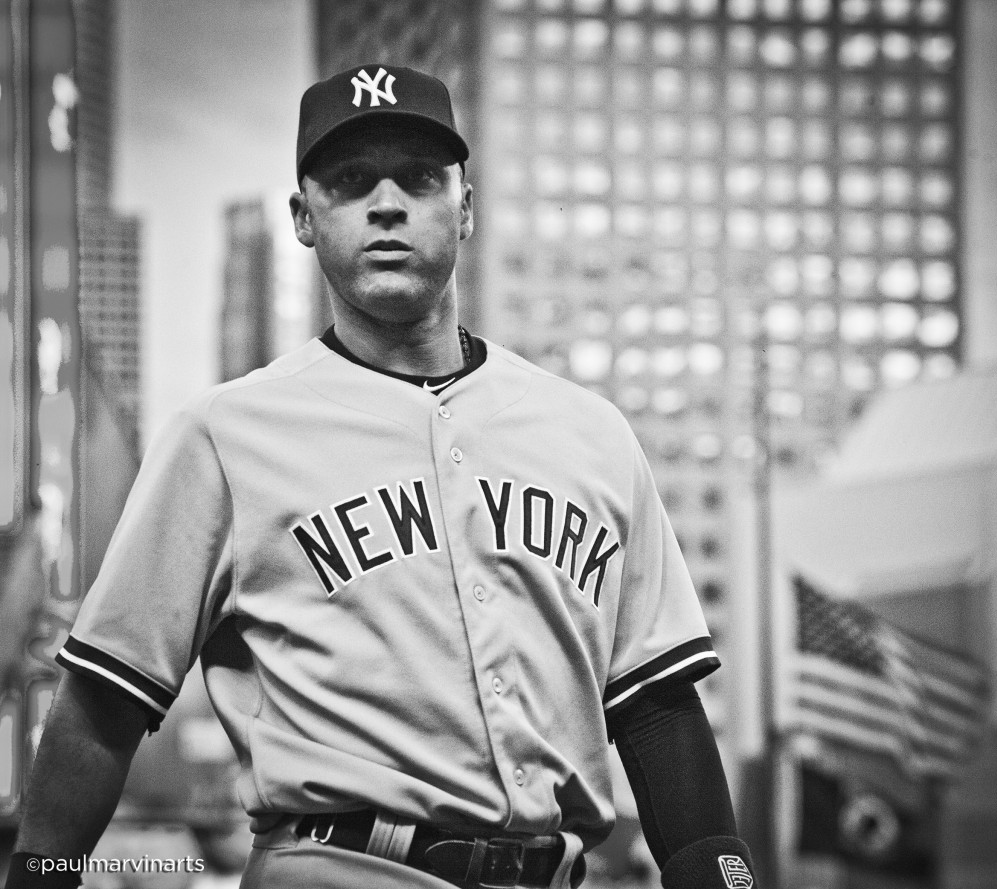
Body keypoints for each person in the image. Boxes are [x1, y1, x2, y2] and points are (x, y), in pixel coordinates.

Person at [7, 65, 757, 889]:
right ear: (304, 216)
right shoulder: (223, 434)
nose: (389, 203)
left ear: (465, 207)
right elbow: (102, 705)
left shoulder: (593, 435)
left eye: (421, 178)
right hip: (337, 864)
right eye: (352, 180)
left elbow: (658, 711)